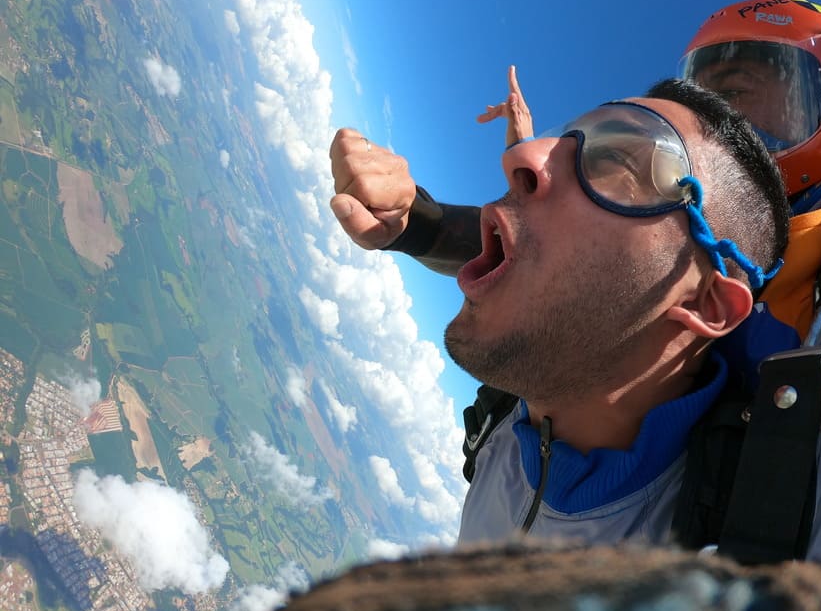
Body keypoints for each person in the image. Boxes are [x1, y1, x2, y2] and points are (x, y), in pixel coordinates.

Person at [330, 0, 821, 575]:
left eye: (755, 99)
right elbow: (558, 275)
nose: (733, 128)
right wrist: (414, 221)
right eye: (710, 93)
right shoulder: (664, 223)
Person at [334, 80, 790, 544]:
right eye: (563, 141)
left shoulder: (723, 576)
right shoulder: (508, 427)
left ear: (705, 303)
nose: (520, 160)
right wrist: (413, 224)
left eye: (617, 161)